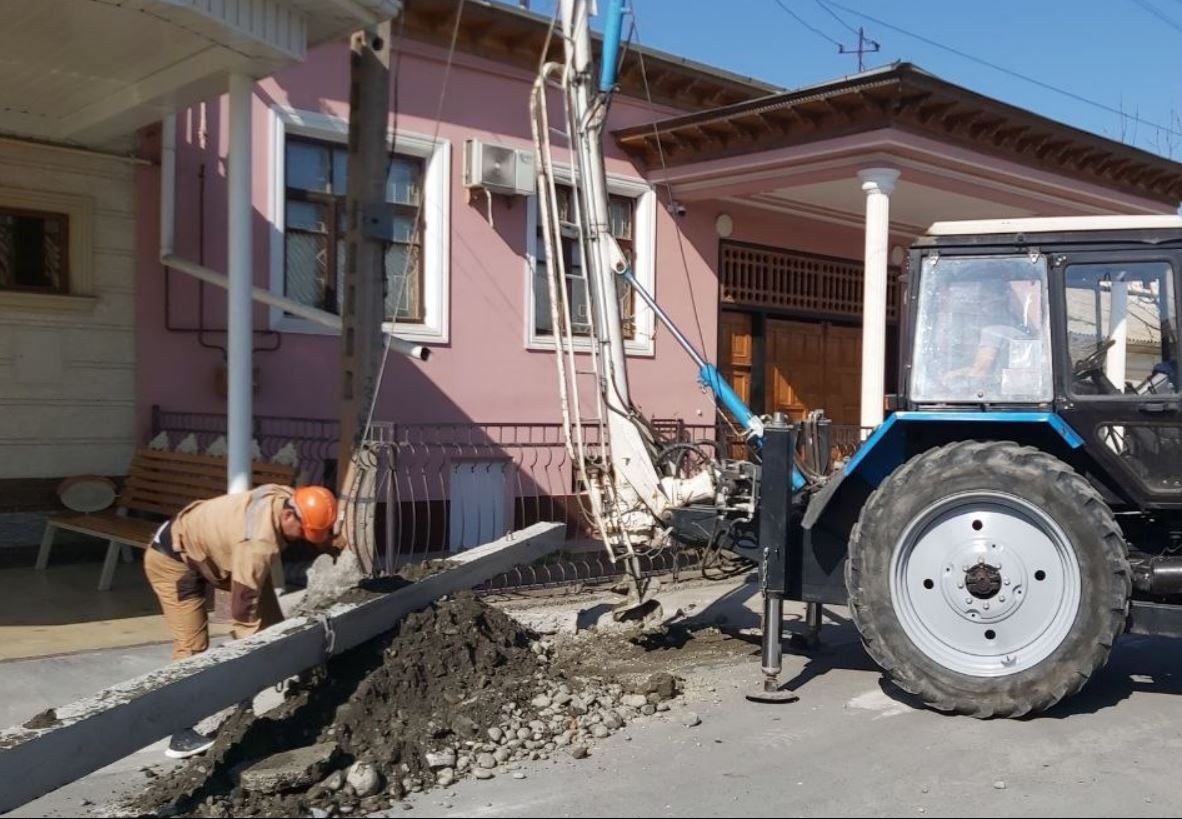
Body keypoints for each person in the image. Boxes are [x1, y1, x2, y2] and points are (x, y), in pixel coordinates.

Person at [143, 484, 338, 758]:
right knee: (192, 646)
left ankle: (295, 680)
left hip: (218, 561)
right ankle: (179, 732)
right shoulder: (257, 545)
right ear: (288, 516)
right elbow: (243, 611)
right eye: (304, 532)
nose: (304, 540)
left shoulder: (284, 497)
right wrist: (249, 658)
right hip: (174, 561)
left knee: (273, 627)